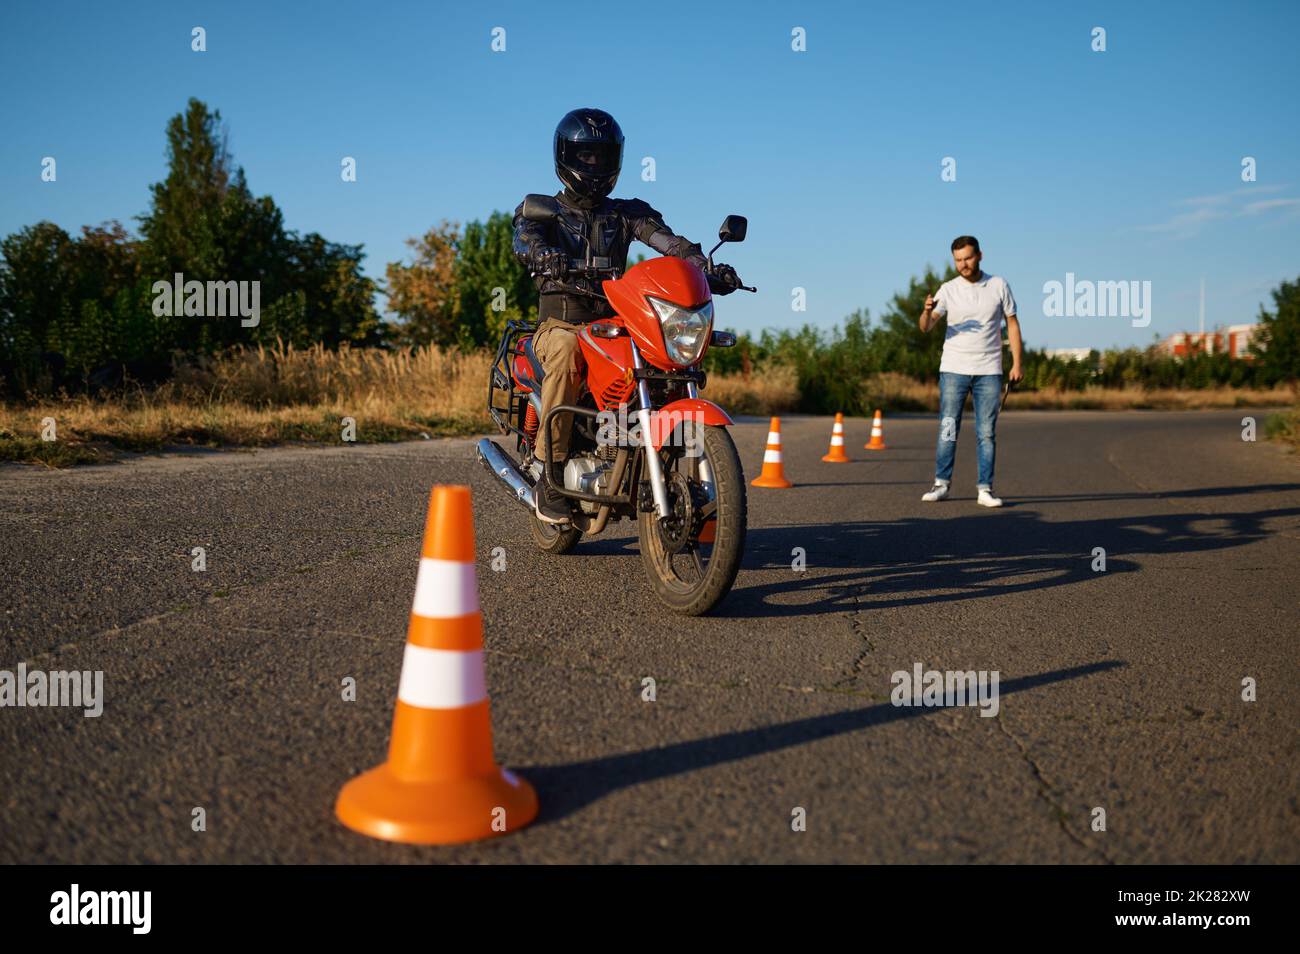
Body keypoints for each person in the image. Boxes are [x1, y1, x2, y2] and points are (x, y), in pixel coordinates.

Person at [512, 107, 740, 524]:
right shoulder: (542, 209)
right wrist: (543, 254)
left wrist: (702, 266)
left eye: (602, 156)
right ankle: (550, 470)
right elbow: (524, 240)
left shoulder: (627, 213)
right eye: (586, 156)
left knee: (662, 359)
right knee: (565, 352)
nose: (594, 165)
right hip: (562, 323)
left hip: (617, 324)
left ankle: (648, 457)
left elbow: (668, 242)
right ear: (566, 157)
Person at [917, 235, 1023, 508]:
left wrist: (1017, 363)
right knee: (948, 427)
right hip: (954, 369)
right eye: (958, 260)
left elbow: (1012, 324)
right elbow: (925, 327)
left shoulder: (998, 285)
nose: (963, 264)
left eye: (968, 258)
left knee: (986, 432)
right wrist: (927, 312)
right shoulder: (948, 289)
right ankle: (941, 484)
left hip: (989, 370)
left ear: (980, 256)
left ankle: (985, 489)